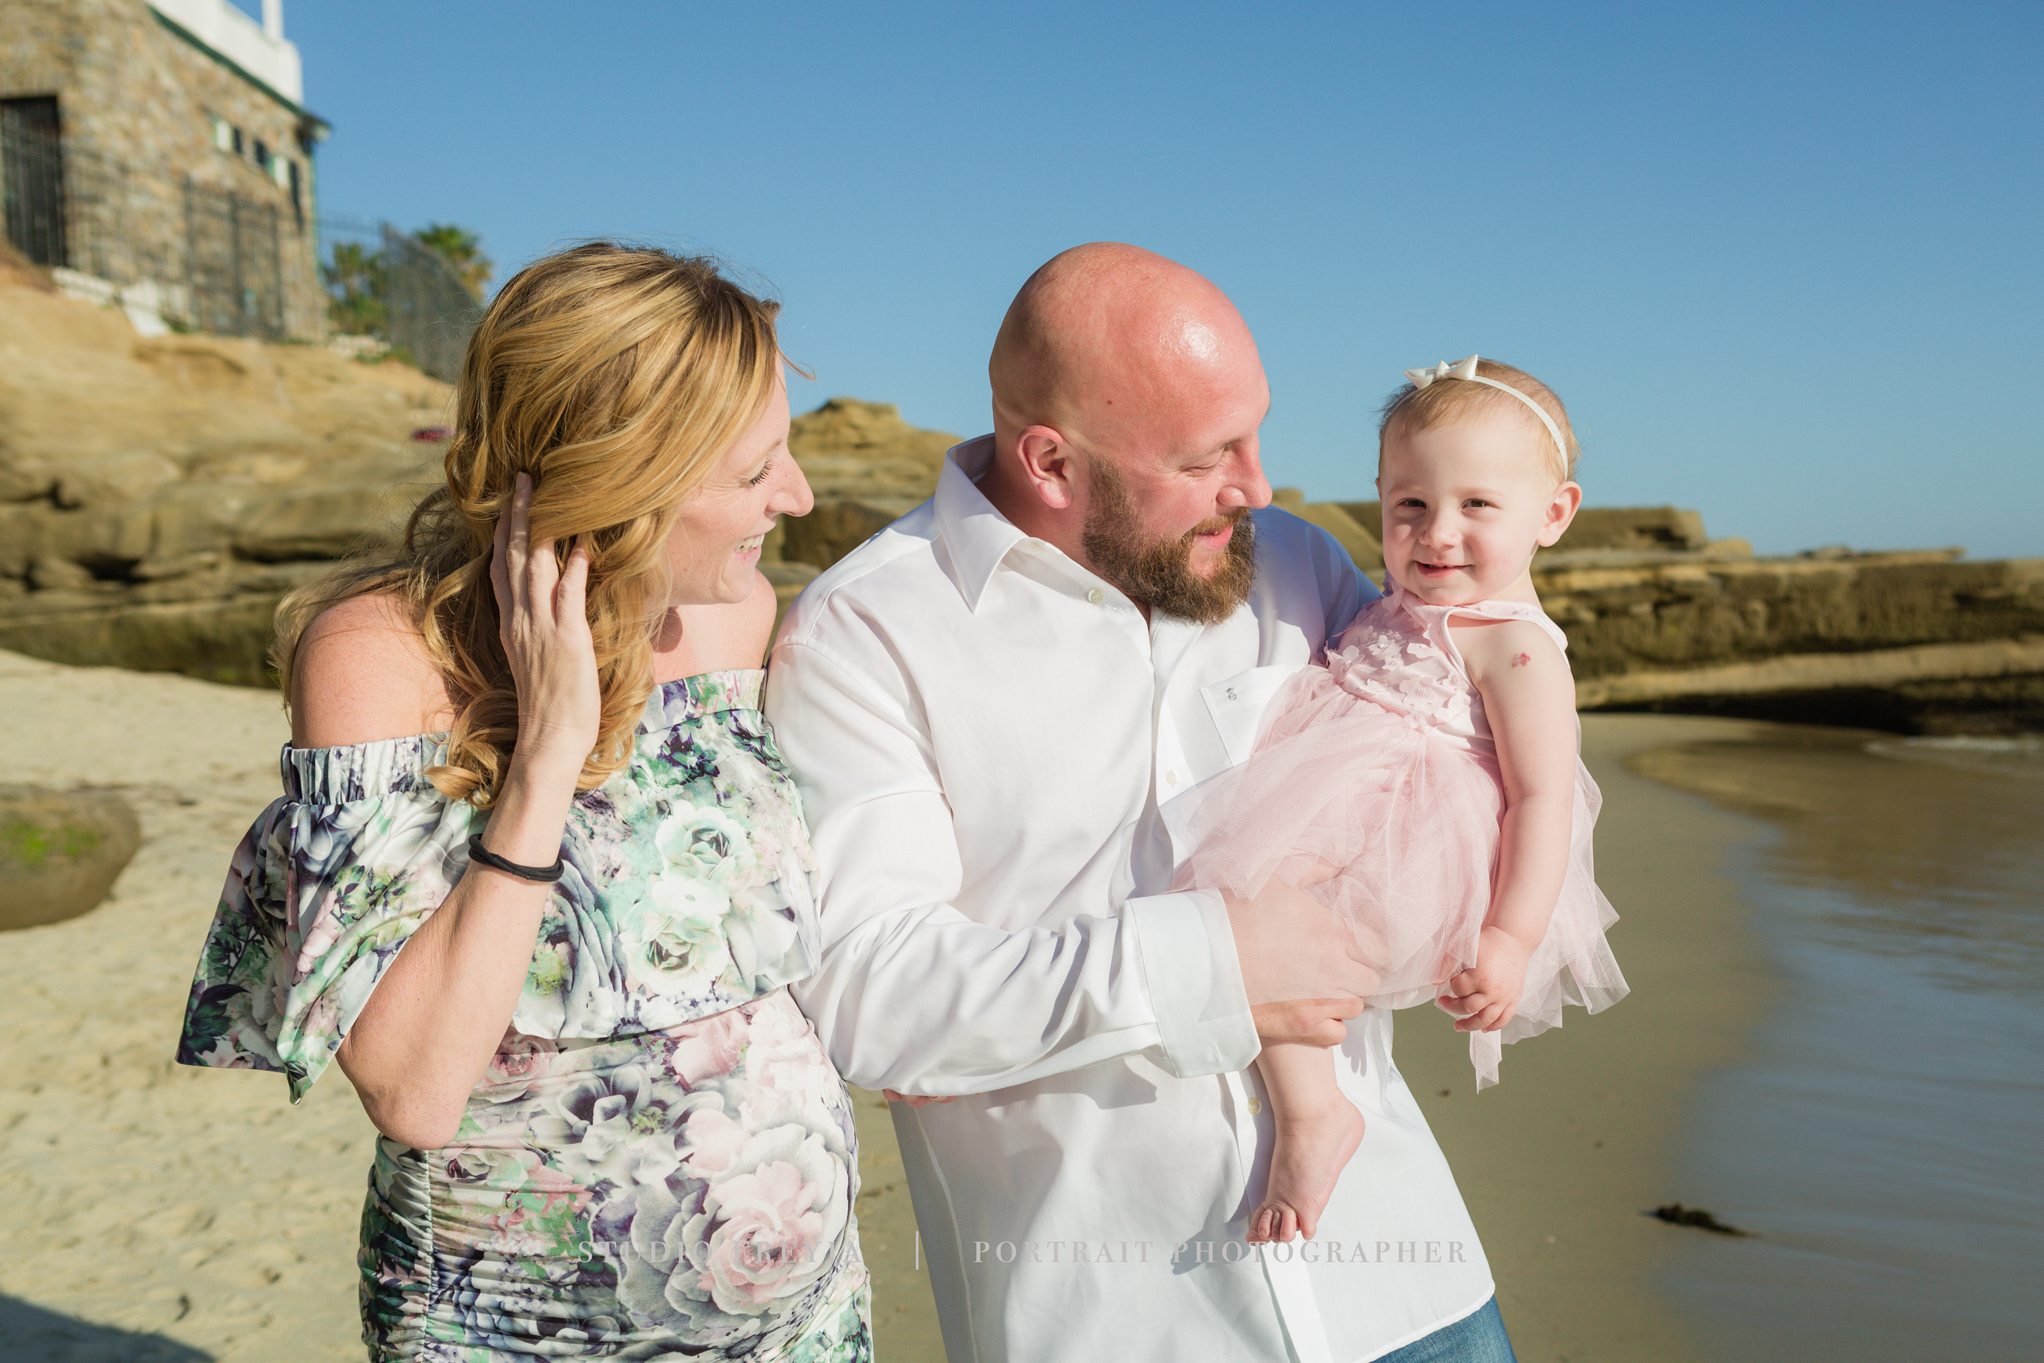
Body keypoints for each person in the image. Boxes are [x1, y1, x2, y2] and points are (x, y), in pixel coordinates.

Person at [767, 244, 1513, 1362]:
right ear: (1052, 461)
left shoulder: (1298, 566)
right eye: (1209, 455)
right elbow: (872, 992)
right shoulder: (864, 633)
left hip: (1411, 1289)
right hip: (1122, 1320)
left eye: (1255, 435)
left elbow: (1473, 749)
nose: (1256, 486)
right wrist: (1212, 960)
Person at [175, 245, 873, 1361]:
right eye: (756, 473)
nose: (795, 498)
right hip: (512, 1333)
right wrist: (549, 752)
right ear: (620, 482)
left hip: (803, 1324)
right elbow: (412, 1087)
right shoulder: (379, 658)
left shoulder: (734, 619)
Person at [1172, 355, 1631, 1246]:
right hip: (1326, 785)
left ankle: (1313, 1114)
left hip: (1409, 827)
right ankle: (1309, 1103)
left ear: (1554, 514)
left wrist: (1511, 936)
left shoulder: (1518, 647)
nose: (1438, 533)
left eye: (1477, 506)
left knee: (1266, 931)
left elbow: (1542, 797)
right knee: (1251, 925)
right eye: (1410, 505)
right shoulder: (1400, 598)